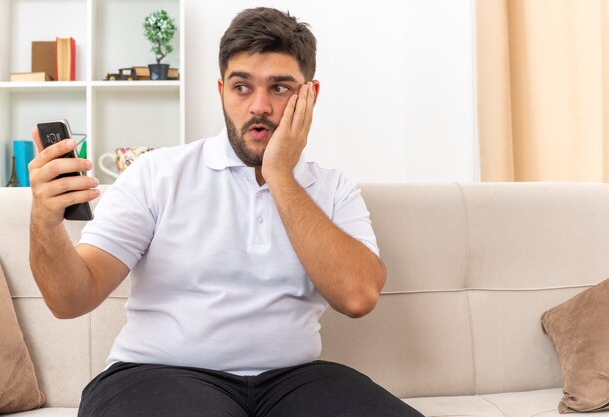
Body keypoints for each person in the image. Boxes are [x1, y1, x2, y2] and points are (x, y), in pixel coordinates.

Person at [28, 7, 423, 417]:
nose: (259, 107)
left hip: (292, 380)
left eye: (280, 88)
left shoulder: (333, 188)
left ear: (310, 95)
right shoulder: (157, 173)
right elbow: (69, 301)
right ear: (221, 91)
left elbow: (358, 296)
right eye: (242, 87)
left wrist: (280, 175)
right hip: (159, 374)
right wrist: (44, 220)